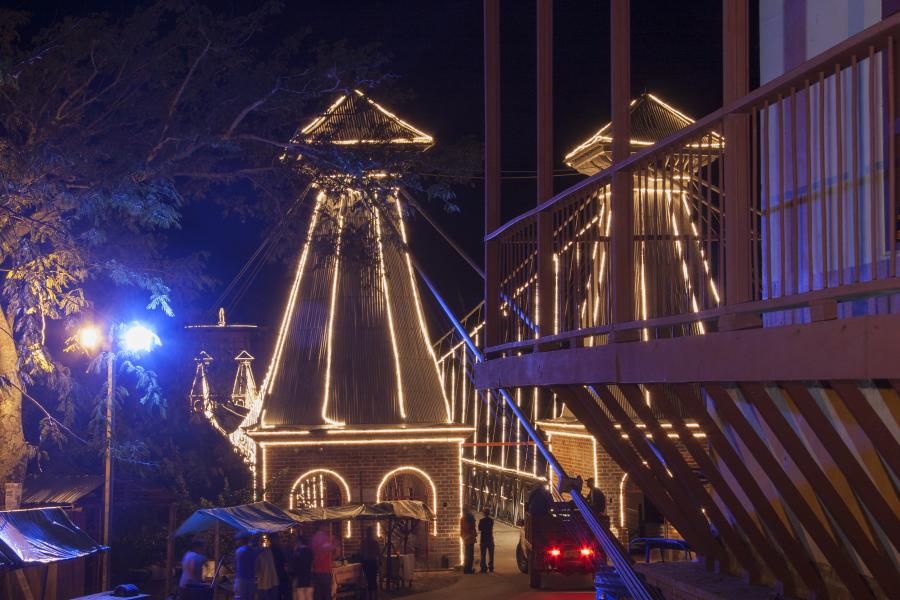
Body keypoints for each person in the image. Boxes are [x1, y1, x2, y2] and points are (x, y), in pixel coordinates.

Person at [310, 523, 334, 600]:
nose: (328, 528)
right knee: (327, 594)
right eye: (326, 526)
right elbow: (328, 550)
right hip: (325, 570)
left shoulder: (313, 538)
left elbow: (313, 553)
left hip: (316, 570)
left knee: (318, 594)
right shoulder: (325, 538)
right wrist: (333, 543)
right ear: (321, 526)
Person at [233, 532, 258, 600]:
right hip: (250, 578)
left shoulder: (239, 551)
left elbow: (236, 564)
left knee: (239, 597)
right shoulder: (253, 550)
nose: (236, 542)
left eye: (238, 540)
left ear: (242, 540)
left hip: (241, 579)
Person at [290, 534, 314, 600]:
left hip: (300, 580)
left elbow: (294, 567)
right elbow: (312, 565)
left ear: (299, 542)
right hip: (309, 579)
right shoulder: (310, 551)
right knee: (309, 597)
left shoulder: (298, 553)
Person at [359, 526, 381, 599]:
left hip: (367, 563)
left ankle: (371, 597)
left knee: (368, 580)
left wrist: (362, 561)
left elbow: (361, 553)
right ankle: (374, 597)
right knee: (373, 580)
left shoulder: (364, 542)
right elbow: (378, 553)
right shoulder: (375, 542)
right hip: (372, 562)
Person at [459, 507, 477, 574]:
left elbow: (464, 528)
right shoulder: (471, 518)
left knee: (467, 554)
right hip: (471, 538)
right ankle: (468, 568)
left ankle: (467, 569)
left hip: (466, 538)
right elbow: (473, 526)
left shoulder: (463, 519)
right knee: (470, 554)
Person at [478, 509, 495, 573]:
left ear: (484, 513)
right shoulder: (491, 520)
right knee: (491, 554)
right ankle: (491, 568)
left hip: (483, 539)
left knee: (483, 555)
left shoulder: (481, 521)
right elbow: (491, 527)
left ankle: (483, 568)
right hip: (490, 538)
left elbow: (479, 529)